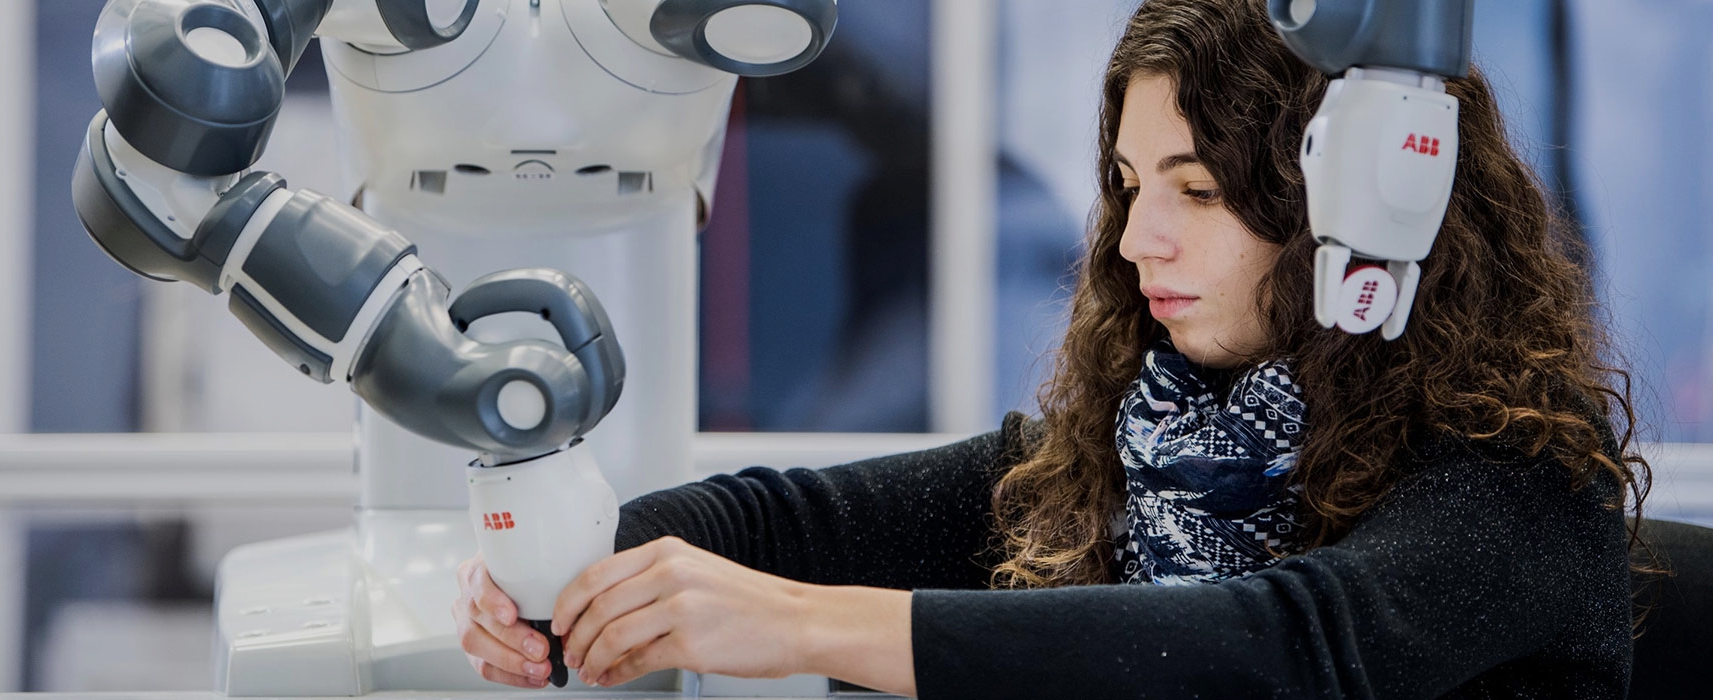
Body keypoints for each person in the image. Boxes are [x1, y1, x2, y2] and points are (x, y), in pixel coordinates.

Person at [450, 0, 1651, 697]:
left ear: (1348, 201)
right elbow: (787, 519)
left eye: (1199, 190)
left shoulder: (1526, 476)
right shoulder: (1131, 451)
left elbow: (1283, 646)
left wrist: (806, 626)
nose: (1137, 238)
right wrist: (564, 575)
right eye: (1130, 184)